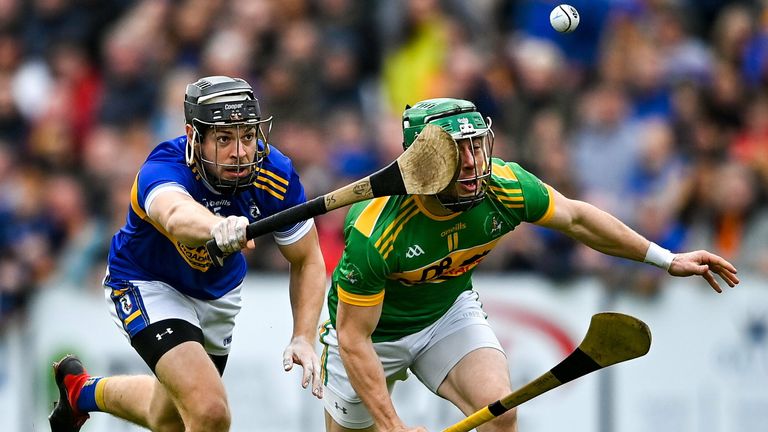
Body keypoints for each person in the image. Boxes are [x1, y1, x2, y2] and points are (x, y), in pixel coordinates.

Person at [319, 98, 740, 432]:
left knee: (500, 415)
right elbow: (355, 338)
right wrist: (392, 427)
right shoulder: (376, 233)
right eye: (455, 152)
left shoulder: (504, 187)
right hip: (372, 336)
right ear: (423, 164)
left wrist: (665, 258)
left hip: (447, 314)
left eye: (476, 145)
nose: (471, 162)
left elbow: (577, 218)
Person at [48, 76, 327, 432]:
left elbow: (307, 259)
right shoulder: (164, 167)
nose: (240, 152)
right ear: (194, 137)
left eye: (247, 135)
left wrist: (303, 334)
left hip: (218, 295)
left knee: (167, 418)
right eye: (224, 139)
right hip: (148, 283)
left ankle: (80, 393)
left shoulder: (275, 173)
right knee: (209, 411)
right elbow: (176, 214)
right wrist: (216, 227)